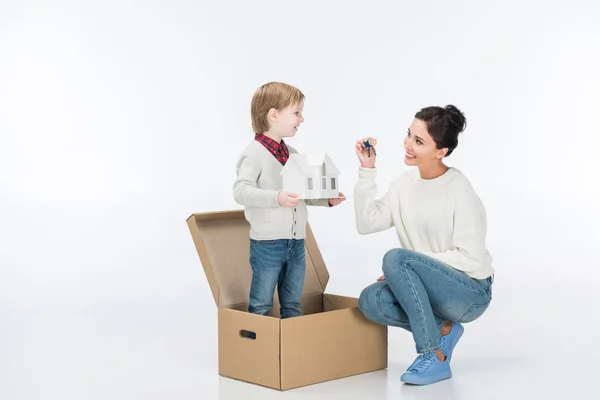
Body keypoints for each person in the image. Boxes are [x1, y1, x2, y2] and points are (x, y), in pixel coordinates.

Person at [353, 105, 494, 385]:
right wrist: (367, 171)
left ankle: (433, 355)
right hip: (430, 289)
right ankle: (443, 329)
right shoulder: (404, 184)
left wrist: (412, 265)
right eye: (409, 135)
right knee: (370, 300)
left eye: (419, 142)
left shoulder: (459, 189)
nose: (407, 145)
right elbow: (366, 223)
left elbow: (472, 259)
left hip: (470, 292)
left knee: (396, 258)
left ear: (441, 152)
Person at [233, 82, 345, 319]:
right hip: (268, 244)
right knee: (261, 303)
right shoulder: (253, 153)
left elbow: (300, 192)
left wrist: (327, 201)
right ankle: (256, 349)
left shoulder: (291, 153)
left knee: (293, 302)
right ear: (273, 115)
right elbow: (241, 191)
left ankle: (292, 347)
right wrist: (277, 197)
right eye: (296, 112)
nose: (301, 119)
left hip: (296, 243)